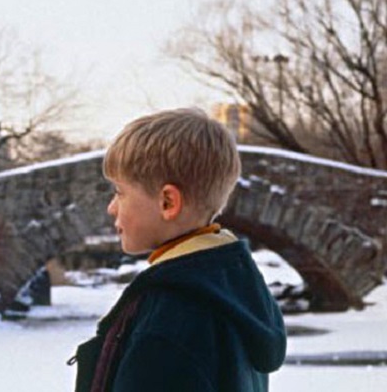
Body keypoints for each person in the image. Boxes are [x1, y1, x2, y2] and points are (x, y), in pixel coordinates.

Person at [71, 108, 286, 392]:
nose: (111, 207)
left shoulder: (169, 322)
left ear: (168, 202)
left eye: (120, 193)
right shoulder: (234, 291)